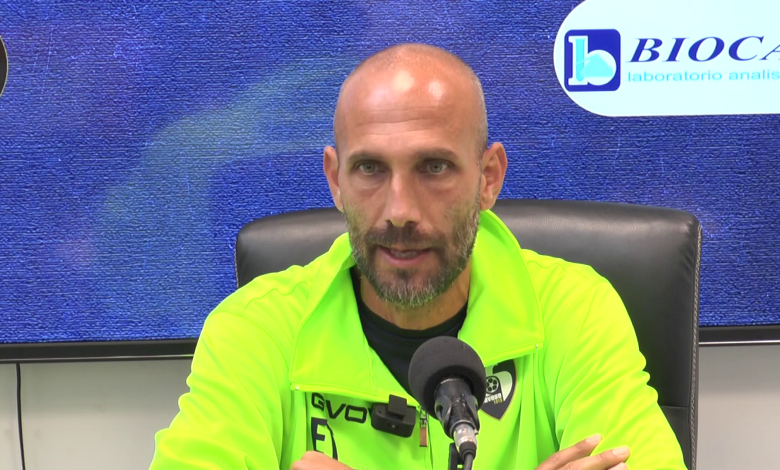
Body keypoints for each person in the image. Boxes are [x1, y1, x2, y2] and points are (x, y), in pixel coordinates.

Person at [150, 43, 686, 470]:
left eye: (433, 167)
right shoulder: (255, 328)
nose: (400, 211)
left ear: (488, 178)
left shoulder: (574, 309)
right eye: (370, 169)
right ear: (335, 180)